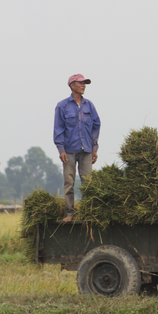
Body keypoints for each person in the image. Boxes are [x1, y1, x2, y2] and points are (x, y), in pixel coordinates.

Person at [54, 73, 101, 222]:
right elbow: (58, 128)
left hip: (86, 150)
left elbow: (96, 125)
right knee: (69, 182)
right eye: (80, 83)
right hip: (69, 150)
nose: (83, 86)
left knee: (88, 182)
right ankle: (70, 213)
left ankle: (87, 213)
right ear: (72, 85)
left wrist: (94, 148)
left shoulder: (89, 105)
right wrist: (61, 149)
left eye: (84, 83)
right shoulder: (62, 106)